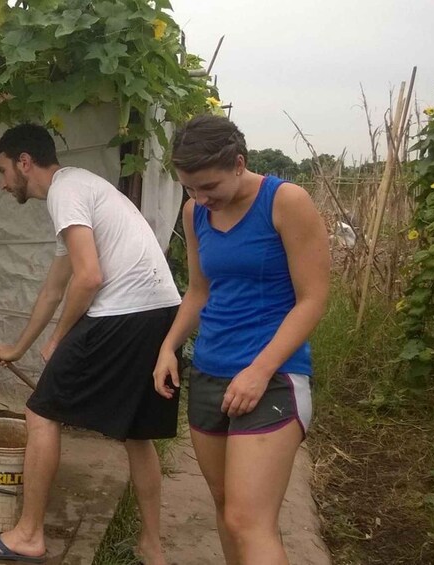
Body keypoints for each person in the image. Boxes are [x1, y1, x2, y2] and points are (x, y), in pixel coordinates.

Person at [0, 123, 182, 564]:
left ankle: (28, 534)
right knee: (138, 435)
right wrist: (20, 346)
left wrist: (60, 339)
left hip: (122, 313)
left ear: (25, 162)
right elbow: (53, 287)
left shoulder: (66, 193)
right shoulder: (81, 190)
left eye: (3, 170)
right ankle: (152, 547)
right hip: (158, 312)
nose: (3, 183)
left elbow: (89, 278)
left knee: (40, 412)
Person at [153, 115, 330, 564]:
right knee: (226, 510)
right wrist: (168, 346)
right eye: (189, 189)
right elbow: (199, 289)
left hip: (272, 377)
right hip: (211, 373)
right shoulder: (197, 213)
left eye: (208, 186)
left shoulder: (286, 201)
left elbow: (312, 299)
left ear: (238, 163)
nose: (200, 198)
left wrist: (259, 370)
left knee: (249, 522)